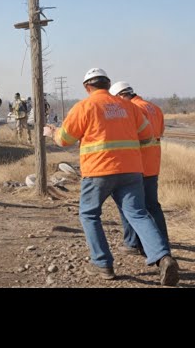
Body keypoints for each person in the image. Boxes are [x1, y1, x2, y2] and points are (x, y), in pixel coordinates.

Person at [43, 68, 178, 286]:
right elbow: (146, 135)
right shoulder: (128, 107)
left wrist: (52, 133)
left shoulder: (84, 106)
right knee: (138, 214)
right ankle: (163, 257)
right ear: (108, 84)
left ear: (88, 87)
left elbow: (65, 139)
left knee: (89, 215)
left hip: (98, 171)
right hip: (132, 171)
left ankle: (102, 263)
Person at [109, 81, 168, 256]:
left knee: (130, 206)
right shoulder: (154, 108)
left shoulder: (131, 110)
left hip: (135, 164)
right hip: (153, 163)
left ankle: (133, 243)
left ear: (121, 96)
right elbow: (160, 133)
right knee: (152, 205)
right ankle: (161, 242)